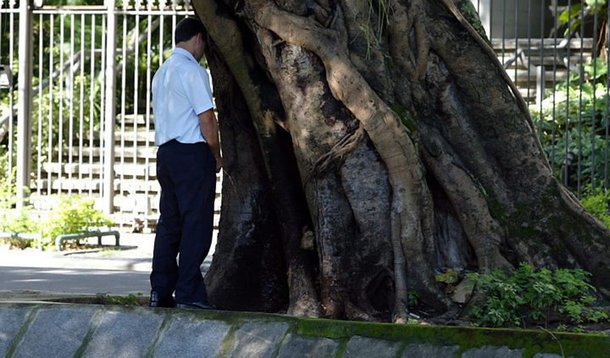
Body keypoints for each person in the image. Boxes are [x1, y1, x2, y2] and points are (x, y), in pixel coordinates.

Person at [149, 17, 222, 309]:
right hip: (192, 154)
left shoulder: (161, 72)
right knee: (196, 225)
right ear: (198, 39)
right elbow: (207, 118)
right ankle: (190, 293)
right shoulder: (193, 71)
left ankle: (160, 291)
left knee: (170, 223)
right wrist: (216, 155)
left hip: (166, 155)